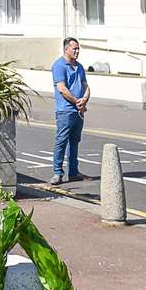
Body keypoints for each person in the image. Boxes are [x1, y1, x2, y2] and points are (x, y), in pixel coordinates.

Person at [51, 36, 90, 184]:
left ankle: (73, 172)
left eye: (78, 48)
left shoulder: (79, 67)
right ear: (66, 49)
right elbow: (62, 89)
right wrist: (77, 101)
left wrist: (85, 99)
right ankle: (57, 173)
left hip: (78, 111)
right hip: (65, 110)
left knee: (75, 141)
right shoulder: (59, 66)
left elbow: (85, 85)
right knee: (61, 141)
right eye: (74, 48)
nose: (77, 51)